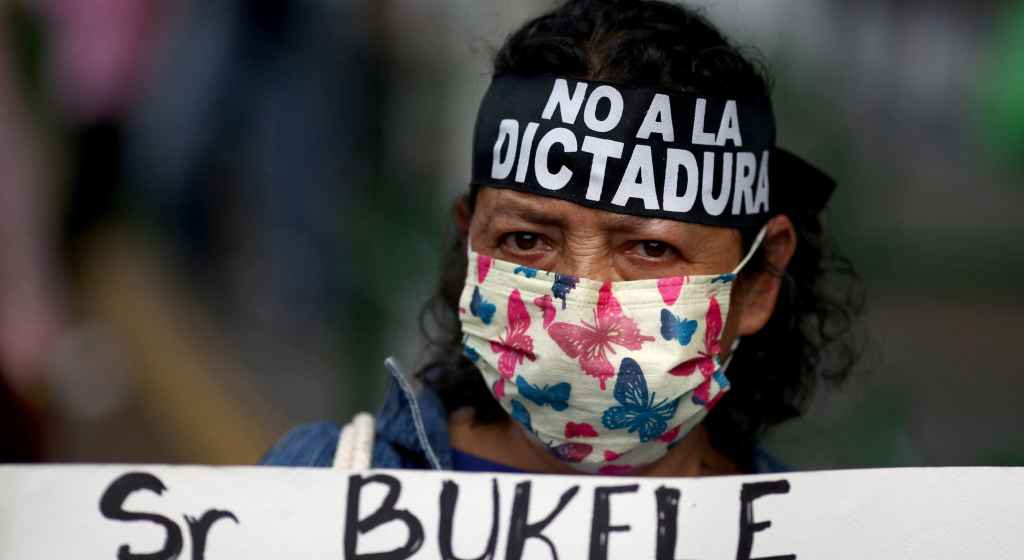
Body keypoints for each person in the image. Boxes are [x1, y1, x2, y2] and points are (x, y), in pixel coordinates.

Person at [262, 0, 860, 476]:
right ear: (472, 243)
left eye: (651, 248)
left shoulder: (808, 547)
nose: (580, 298)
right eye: (526, 241)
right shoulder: (324, 488)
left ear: (758, 283)